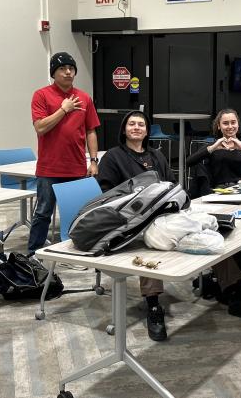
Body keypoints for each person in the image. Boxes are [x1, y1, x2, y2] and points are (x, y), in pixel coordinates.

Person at [96, 111, 174, 341]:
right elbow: (106, 194)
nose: (137, 127)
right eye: (132, 124)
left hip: (161, 213)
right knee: (150, 243)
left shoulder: (157, 156)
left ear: (147, 131)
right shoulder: (113, 157)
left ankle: (223, 284)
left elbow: (170, 182)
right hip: (127, 220)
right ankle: (153, 304)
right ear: (124, 129)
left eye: (141, 124)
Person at [186, 109, 241, 324]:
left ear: (238, 125)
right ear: (219, 126)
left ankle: (232, 280)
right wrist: (213, 148)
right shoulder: (211, 146)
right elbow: (189, 161)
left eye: (233, 123)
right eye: (225, 123)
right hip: (217, 197)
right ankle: (233, 288)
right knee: (227, 238)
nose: (230, 127)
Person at [28, 51, 100, 254]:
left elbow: (90, 131)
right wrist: (64, 109)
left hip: (76, 167)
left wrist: (93, 161)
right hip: (49, 168)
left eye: (71, 68)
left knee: (78, 214)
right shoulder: (41, 95)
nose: (68, 72)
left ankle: (77, 252)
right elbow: (40, 127)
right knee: (43, 212)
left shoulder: (84, 98)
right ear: (53, 73)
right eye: (62, 69)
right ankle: (33, 254)